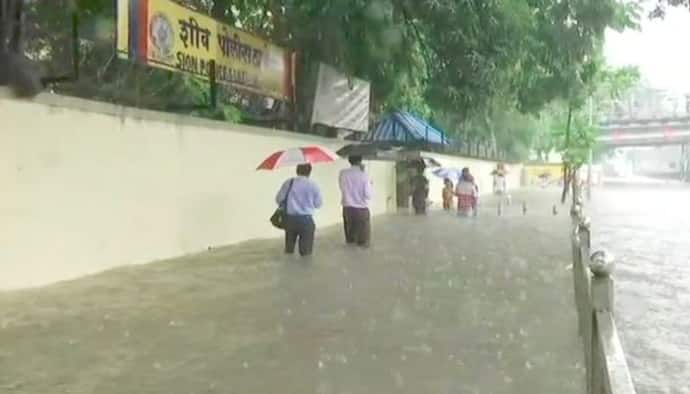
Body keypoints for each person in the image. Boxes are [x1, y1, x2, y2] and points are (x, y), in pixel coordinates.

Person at [275, 163, 323, 257]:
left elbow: (278, 199)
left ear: (297, 170)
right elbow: (318, 204)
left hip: (290, 220)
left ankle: (288, 270)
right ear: (309, 172)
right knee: (306, 254)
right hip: (306, 220)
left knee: (289, 251)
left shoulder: (289, 182)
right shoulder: (313, 185)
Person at [339, 155, 373, 247]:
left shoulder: (343, 173)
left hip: (347, 209)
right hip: (361, 210)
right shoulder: (365, 175)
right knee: (363, 243)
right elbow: (368, 195)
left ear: (349, 161)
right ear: (360, 161)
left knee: (350, 241)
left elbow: (342, 188)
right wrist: (370, 183)